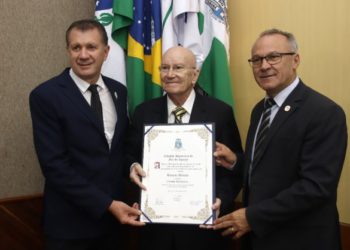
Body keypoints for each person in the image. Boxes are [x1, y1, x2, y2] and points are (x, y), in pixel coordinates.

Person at [212, 29, 348, 250]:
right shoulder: (260, 110)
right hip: (259, 239)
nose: (264, 66)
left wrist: (252, 217)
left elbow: (316, 187)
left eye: (273, 57)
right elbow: (271, 167)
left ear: (295, 60)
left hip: (301, 240)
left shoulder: (325, 112)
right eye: (256, 60)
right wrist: (237, 162)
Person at [29, 19, 144, 250]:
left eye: (91, 47)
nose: (83, 55)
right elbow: (54, 167)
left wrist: (132, 166)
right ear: (68, 51)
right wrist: (108, 204)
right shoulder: (46, 96)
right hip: (70, 228)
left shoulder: (119, 91)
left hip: (113, 226)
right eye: (76, 47)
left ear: (106, 51)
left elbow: (118, 148)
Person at [126, 46, 244, 250]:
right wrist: (133, 172)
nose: (170, 74)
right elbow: (129, 156)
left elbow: (235, 166)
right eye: (164, 68)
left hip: (203, 233)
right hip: (156, 231)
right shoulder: (144, 112)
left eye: (178, 67)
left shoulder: (220, 112)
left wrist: (221, 200)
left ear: (194, 75)